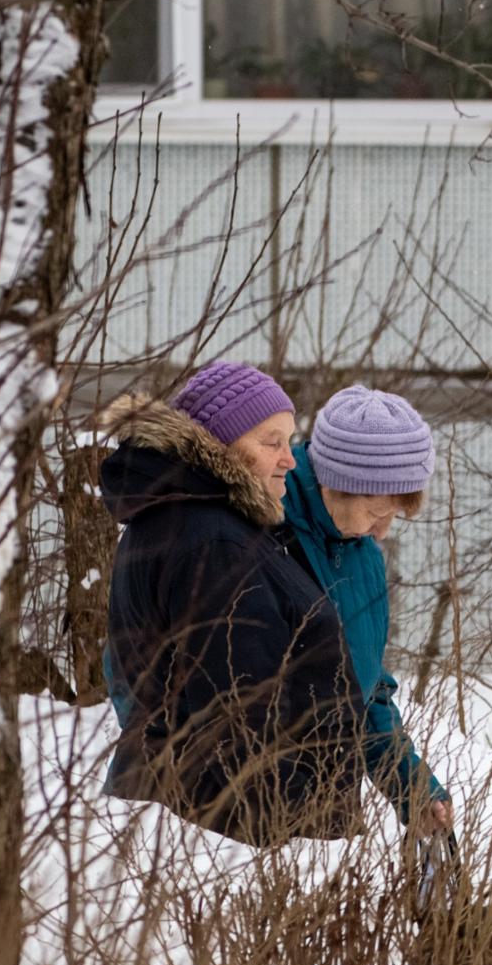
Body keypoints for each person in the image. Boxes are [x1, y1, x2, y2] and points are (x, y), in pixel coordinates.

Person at [100, 361, 365, 843]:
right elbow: (238, 717)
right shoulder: (214, 543)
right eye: (270, 442)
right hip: (234, 834)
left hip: (215, 822)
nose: (289, 459)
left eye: (289, 441)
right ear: (218, 447)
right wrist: (282, 834)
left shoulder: (204, 526)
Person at [282, 384, 454, 839]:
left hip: (327, 810)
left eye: (394, 513)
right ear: (336, 484)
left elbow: (367, 693)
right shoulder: (267, 531)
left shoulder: (365, 557)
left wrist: (413, 789)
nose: (383, 529)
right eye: (377, 510)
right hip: (249, 817)